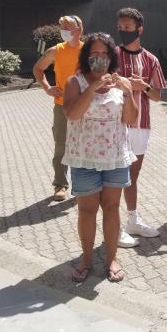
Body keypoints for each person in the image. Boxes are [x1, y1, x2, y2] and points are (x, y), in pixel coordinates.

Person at [61, 33, 137, 283]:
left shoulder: (120, 82)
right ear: (86, 56)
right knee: (87, 209)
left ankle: (111, 257)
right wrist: (93, 87)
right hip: (84, 158)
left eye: (105, 54)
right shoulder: (76, 82)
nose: (100, 58)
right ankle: (85, 258)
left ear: (112, 56)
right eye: (95, 53)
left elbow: (130, 119)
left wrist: (128, 93)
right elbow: (72, 114)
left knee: (113, 208)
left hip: (115, 157)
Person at [114, 8, 165, 245]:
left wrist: (142, 86)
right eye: (121, 27)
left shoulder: (151, 59)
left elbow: (157, 95)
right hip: (115, 124)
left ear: (139, 29)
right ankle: (113, 227)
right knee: (115, 175)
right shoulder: (112, 55)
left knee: (133, 175)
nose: (123, 31)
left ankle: (132, 220)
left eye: (128, 27)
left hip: (142, 125)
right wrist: (125, 85)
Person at [33, 15, 84, 202]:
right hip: (61, 105)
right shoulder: (56, 51)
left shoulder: (88, 50)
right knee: (61, 147)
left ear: (78, 30)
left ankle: (83, 186)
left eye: (67, 27)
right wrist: (47, 88)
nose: (63, 30)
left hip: (84, 105)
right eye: (62, 26)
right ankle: (60, 185)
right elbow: (38, 69)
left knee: (84, 147)